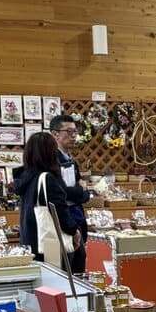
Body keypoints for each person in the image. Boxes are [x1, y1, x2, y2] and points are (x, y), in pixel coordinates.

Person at [11, 132, 82, 265]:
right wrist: (74, 230)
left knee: (38, 283)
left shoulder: (25, 178)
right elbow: (60, 211)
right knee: (55, 282)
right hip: (49, 243)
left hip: (29, 241)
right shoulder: (48, 179)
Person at [49, 114, 92, 273]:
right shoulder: (52, 160)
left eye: (75, 132)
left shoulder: (71, 160)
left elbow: (83, 191)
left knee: (78, 268)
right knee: (63, 271)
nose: (74, 136)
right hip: (62, 223)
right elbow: (62, 193)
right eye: (69, 131)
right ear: (55, 134)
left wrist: (81, 191)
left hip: (76, 217)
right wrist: (80, 191)